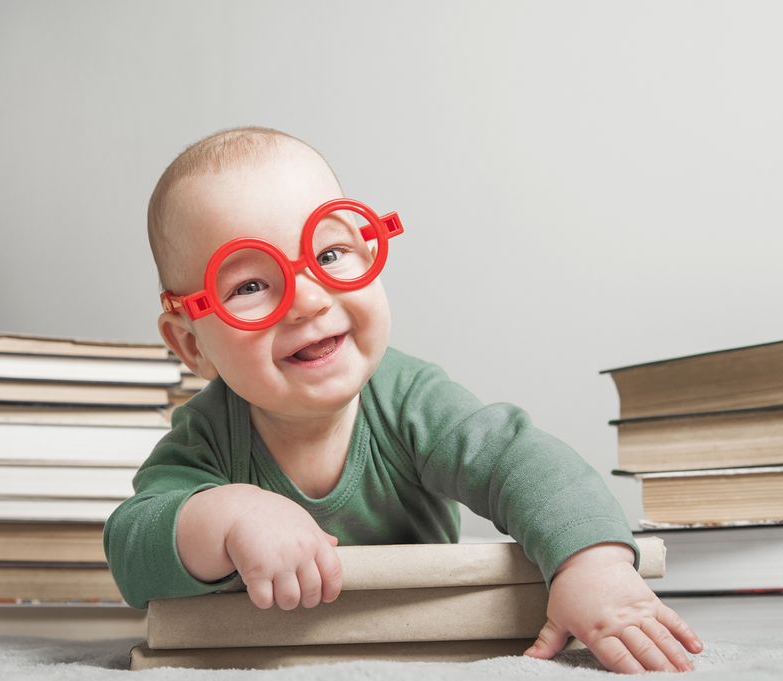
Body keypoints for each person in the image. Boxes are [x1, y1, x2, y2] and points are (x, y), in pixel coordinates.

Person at [104, 126, 703, 674]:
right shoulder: (208, 438)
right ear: (192, 343)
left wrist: (592, 563)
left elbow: (521, 461)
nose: (308, 299)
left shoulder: (412, 401)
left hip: (424, 652)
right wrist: (226, 515)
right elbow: (131, 550)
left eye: (330, 253)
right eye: (251, 285)